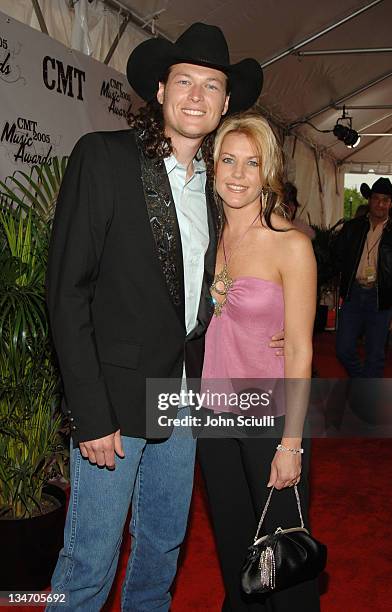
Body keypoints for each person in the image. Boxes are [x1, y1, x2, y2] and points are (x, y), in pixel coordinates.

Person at [45, 22, 286, 612]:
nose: (197, 96)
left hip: (184, 400)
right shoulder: (103, 157)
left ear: (227, 103)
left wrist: (273, 325)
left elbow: (242, 271)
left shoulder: (220, 188)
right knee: (89, 561)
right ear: (160, 90)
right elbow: (66, 293)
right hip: (113, 407)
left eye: (211, 85)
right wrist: (90, 414)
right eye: (185, 81)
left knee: (161, 550)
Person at [197, 113, 319, 611]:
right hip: (213, 415)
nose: (239, 174)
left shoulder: (292, 246)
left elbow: (300, 349)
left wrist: (291, 443)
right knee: (234, 551)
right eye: (229, 159)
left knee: (281, 561)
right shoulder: (208, 238)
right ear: (213, 164)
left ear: (268, 171)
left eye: (253, 163)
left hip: (270, 418)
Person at [334, 177, 392, 377]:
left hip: (381, 300)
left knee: (375, 355)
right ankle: (364, 383)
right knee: (343, 349)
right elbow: (336, 257)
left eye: (385, 200)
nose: (380, 204)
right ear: (369, 200)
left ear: (391, 203)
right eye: (377, 198)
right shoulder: (352, 227)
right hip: (353, 294)